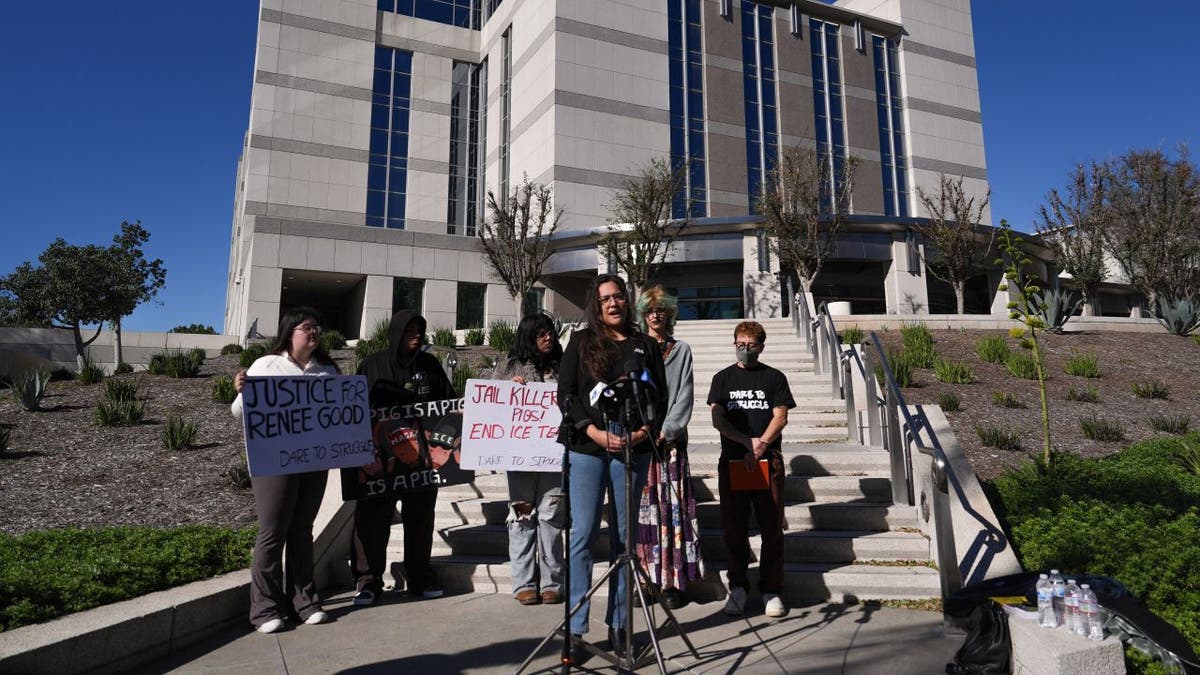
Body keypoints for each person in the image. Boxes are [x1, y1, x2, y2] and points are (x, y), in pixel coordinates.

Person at [558, 274, 667, 658]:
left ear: (627, 301)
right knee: (583, 535)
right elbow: (566, 394)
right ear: (596, 305)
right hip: (588, 447)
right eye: (605, 299)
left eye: (618, 297)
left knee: (625, 541)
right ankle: (575, 628)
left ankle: (620, 625)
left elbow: (660, 398)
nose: (613, 304)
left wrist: (641, 433)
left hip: (633, 448)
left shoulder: (644, 345)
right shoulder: (580, 342)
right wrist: (594, 432)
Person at [230, 307, 339, 634]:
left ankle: (304, 602)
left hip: (314, 460)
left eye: (316, 327)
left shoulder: (328, 371)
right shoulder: (265, 365)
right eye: (307, 327)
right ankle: (264, 609)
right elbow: (240, 413)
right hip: (274, 461)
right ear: (290, 333)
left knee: (302, 530)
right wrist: (241, 391)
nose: (313, 332)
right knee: (273, 530)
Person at [350, 309, 454, 607]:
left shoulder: (430, 365)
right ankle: (368, 581)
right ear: (396, 333)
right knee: (372, 520)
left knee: (420, 518)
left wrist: (443, 443)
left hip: (421, 460)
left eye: (419, 330)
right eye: (409, 330)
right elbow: (353, 410)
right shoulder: (372, 365)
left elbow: (449, 407)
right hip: (380, 460)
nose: (416, 335)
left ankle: (420, 576)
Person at [707, 320, 795, 619]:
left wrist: (761, 445)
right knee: (734, 528)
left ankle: (771, 590)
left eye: (751, 345)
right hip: (734, 461)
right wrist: (746, 442)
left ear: (761, 347)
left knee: (771, 528)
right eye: (740, 344)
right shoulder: (722, 378)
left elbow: (780, 416)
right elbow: (718, 418)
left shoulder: (774, 377)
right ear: (734, 344)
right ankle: (738, 587)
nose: (745, 349)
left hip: (767, 461)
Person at [487, 313, 566, 606]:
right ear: (528, 337)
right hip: (520, 458)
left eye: (550, 332)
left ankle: (552, 582)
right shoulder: (508, 367)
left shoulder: (563, 365)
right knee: (522, 516)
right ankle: (524, 583)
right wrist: (508, 390)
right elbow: (491, 404)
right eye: (541, 333)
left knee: (551, 516)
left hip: (554, 456)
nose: (548, 337)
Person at [634, 287, 704, 609]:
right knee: (644, 514)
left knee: (672, 513)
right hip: (640, 443)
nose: (655, 315)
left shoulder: (682, 350)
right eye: (650, 310)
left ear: (670, 313)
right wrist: (642, 430)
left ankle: (671, 582)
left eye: (661, 309)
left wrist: (666, 430)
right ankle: (645, 580)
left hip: (670, 444)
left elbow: (685, 395)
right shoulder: (635, 349)